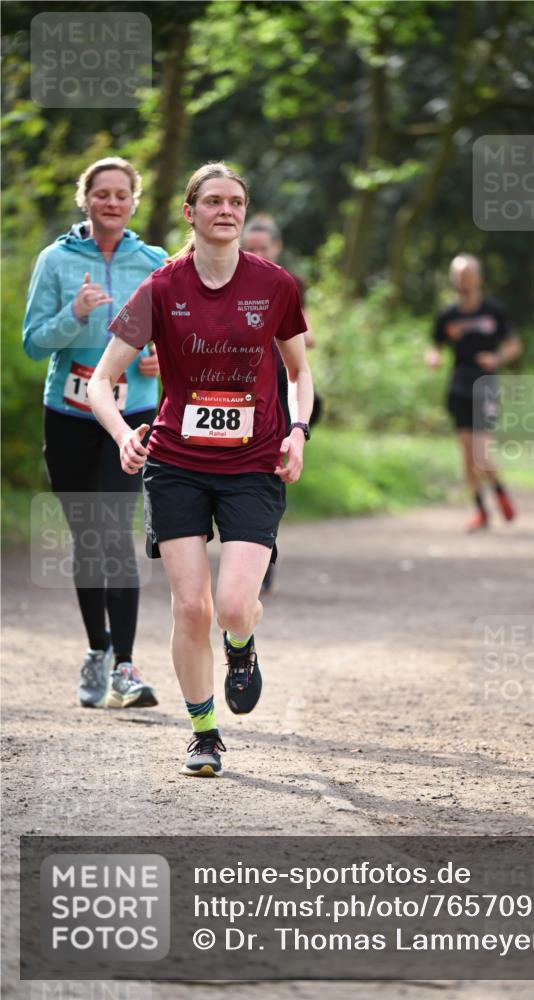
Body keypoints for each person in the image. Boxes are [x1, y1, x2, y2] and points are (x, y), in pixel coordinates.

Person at [88, 162, 313, 777]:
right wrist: (121, 435)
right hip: (176, 464)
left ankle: (241, 648)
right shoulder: (162, 288)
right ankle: (205, 733)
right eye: (213, 201)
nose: (227, 210)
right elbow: (103, 382)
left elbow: (299, 372)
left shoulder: (276, 285)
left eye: (236, 201)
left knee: (235, 605)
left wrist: (298, 430)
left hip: (254, 462)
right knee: (192, 608)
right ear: (190, 212)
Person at [23, 156, 167, 709]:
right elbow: (34, 343)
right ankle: (97, 649)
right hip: (69, 414)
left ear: (134, 201)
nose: (111, 202)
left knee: (113, 529)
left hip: (133, 417)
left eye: (121, 194)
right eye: (101, 193)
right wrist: (75, 315)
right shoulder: (56, 260)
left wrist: (160, 362)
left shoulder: (153, 262)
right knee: (88, 534)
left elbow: (176, 337)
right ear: (85, 199)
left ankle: (126, 667)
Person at [241, 213, 320, 594]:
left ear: (278, 249)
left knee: (273, 470)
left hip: (282, 389)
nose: (257, 254)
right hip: (243, 390)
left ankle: (264, 551)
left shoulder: (288, 284)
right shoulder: (230, 279)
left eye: (263, 248)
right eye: (250, 248)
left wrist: (300, 335)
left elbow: (306, 333)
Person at [425, 253, 523, 532]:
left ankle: (500, 492)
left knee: (481, 453)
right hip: (458, 385)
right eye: (457, 276)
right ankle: (481, 511)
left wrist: (497, 358)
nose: (462, 281)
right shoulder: (447, 315)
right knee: (467, 455)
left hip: (486, 386)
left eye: (467, 275)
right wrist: (433, 357)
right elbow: (435, 345)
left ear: (479, 278)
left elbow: (515, 345)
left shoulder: (494, 311)